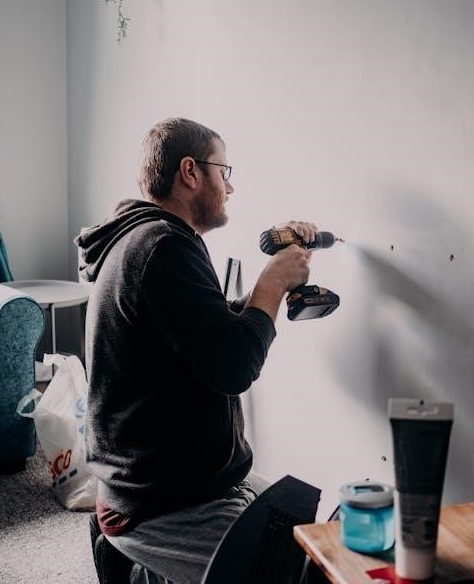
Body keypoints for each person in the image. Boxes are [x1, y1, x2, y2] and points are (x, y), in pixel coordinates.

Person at [75, 118, 317, 583]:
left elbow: (203, 335)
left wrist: (267, 289)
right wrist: (272, 282)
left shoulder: (143, 238)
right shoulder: (163, 245)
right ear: (190, 172)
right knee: (298, 570)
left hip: (160, 480)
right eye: (224, 172)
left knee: (301, 522)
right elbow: (233, 365)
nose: (230, 187)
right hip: (162, 499)